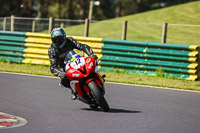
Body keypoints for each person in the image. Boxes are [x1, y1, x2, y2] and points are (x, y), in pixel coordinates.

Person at [48, 28, 98, 99]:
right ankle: (73, 91)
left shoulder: (70, 40)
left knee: (92, 61)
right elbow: (53, 67)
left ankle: (97, 76)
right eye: (55, 39)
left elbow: (82, 46)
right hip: (65, 67)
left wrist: (91, 54)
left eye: (60, 39)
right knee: (64, 78)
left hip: (76, 59)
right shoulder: (51, 50)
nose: (58, 41)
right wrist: (59, 73)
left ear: (64, 37)